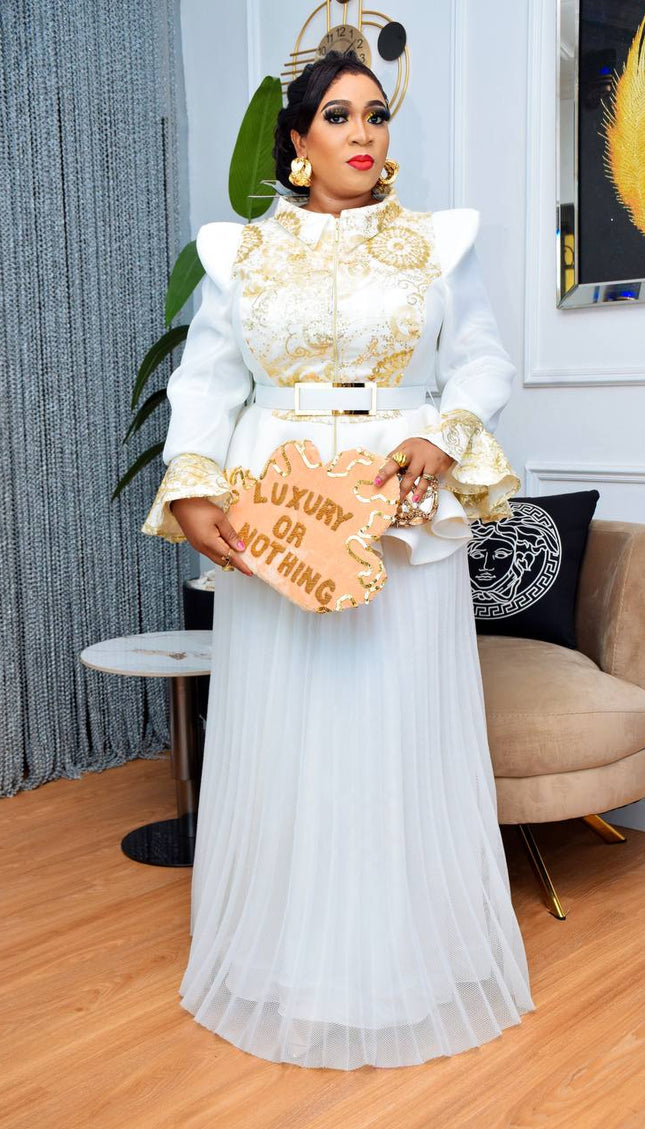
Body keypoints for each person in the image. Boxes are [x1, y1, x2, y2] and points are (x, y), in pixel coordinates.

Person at [142, 50, 536, 1070]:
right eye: (337, 115)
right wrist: (191, 486)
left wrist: (442, 434)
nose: (362, 132)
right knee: (289, 726)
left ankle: (408, 964)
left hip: (398, 505)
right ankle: (290, 965)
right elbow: (206, 383)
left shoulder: (438, 244)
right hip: (279, 513)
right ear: (298, 139)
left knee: (395, 722)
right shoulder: (238, 255)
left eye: (375, 115)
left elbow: (486, 356)